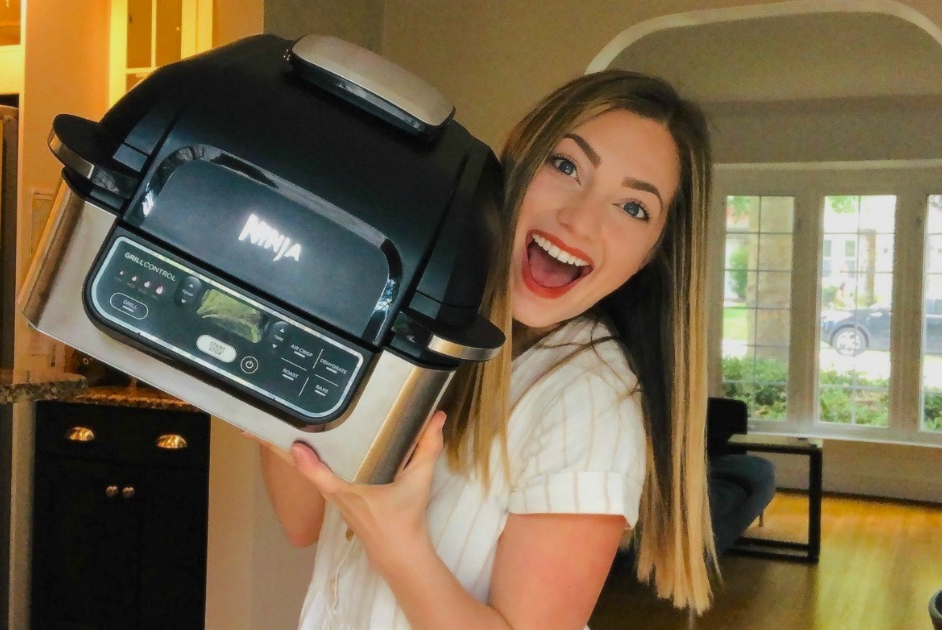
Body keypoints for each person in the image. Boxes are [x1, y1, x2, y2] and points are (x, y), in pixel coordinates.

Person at [255, 69, 715, 629]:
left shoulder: (591, 400)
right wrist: (285, 336)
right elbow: (301, 521)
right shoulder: (421, 322)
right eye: (566, 165)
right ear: (515, 162)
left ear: (651, 254)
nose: (580, 219)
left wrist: (394, 537)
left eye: (633, 208)